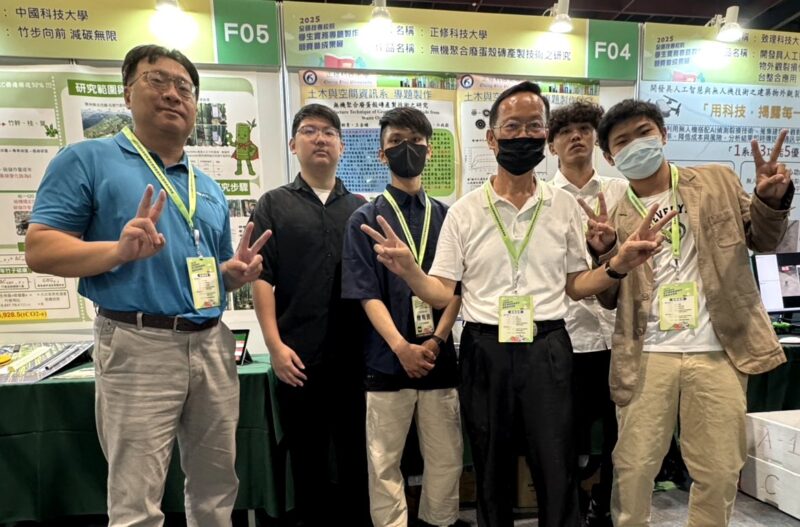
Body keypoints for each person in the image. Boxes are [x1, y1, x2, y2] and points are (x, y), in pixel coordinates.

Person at [361, 81, 676, 527]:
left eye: (533, 126)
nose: (522, 135)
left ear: (545, 137)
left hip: (548, 347)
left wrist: (616, 265)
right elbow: (443, 292)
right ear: (492, 138)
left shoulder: (563, 205)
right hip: (484, 349)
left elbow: (575, 286)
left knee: (556, 463)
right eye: (512, 126)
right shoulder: (464, 211)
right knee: (490, 466)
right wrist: (412, 271)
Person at [25, 44, 270, 526]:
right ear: (127, 93)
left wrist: (231, 274)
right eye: (158, 81)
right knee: (136, 498)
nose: (173, 94)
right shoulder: (87, 159)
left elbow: (210, 268)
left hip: (211, 342)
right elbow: (40, 249)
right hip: (137, 342)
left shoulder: (207, 186)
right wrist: (117, 251)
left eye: (185, 87)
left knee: (217, 487)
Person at [591, 99, 792, 526]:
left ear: (663, 135)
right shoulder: (615, 212)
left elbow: (763, 239)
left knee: (719, 470)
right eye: (622, 141)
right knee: (634, 469)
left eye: (644, 132)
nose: (636, 145)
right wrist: (607, 253)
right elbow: (608, 298)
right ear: (610, 157)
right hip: (646, 355)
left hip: (717, 349)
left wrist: (770, 200)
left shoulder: (716, 181)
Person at [250, 104, 372, 526]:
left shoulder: (361, 208)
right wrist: (274, 347)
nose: (320, 138)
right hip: (297, 357)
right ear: (293, 144)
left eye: (329, 132)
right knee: (307, 459)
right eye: (309, 131)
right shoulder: (273, 204)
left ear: (341, 146)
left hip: (355, 358)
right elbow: (261, 279)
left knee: (357, 458)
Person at [342, 107, 463, 527]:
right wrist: (401, 347)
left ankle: (439, 523)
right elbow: (365, 293)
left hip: (439, 358)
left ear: (429, 151)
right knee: (383, 463)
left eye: (415, 141)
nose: (405, 148)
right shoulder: (363, 219)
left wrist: (437, 341)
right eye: (396, 141)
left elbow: (457, 291)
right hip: (385, 359)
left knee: (446, 458)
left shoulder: (449, 217)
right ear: (381, 153)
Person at [548, 100, 627, 527]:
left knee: (621, 435)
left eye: (583, 128)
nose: (575, 136)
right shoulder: (543, 199)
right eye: (565, 131)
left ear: (596, 138)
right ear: (552, 146)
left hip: (620, 334)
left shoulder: (621, 192)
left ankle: (607, 506)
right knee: (567, 435)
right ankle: (572, 508)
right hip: (568, 337)